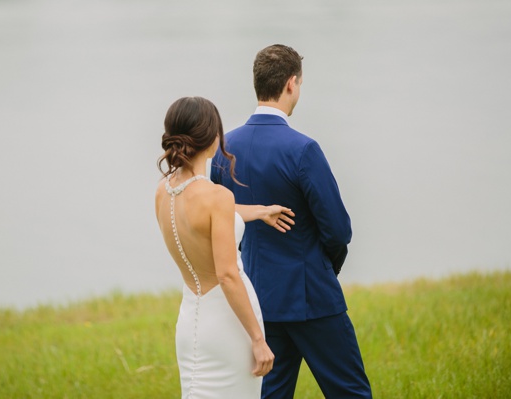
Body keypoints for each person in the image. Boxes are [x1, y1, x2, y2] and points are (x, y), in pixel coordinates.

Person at [210, 44, 373, 399]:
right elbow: (339, 230)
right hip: (312, 298)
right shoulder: (303, 149)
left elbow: (220, 225)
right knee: (351, 393)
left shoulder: (225, 150)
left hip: (258, 299)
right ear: (291, 84)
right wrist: (323, 266)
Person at [155, 96, 299, 397]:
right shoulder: (216, 196)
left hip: (191, 322)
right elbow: (227, 275)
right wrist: (258, 340)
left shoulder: (164, 191)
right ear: (210, 137)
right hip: (228, 327)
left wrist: (258, 211)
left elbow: (203, 223)